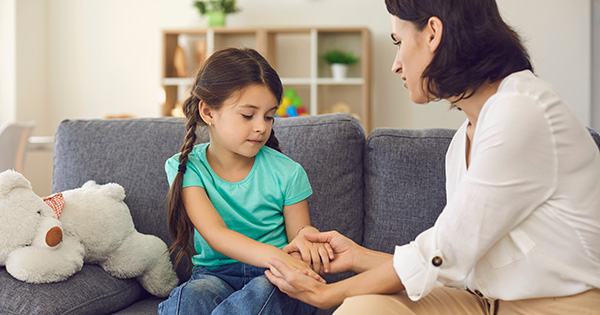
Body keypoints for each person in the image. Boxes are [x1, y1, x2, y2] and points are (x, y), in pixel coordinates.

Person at [265, 0, 600, 314]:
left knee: (353, 303)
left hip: (562, 305)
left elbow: (443, 253)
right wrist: (357, 256)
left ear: (433, 34)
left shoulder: (521, 111)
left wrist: (325, 294)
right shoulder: (464, 139)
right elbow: (456, 267)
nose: (396, 64)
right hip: (482, 301)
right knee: (365, 309)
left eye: (398, 42)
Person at [158, 47, 333, 315]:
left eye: (269, 116)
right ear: (208, 112)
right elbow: (216, 234)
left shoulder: (288, 172)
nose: (261, 126)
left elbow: (300, 234)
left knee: (265, 291)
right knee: (191, 297)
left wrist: (306, 246)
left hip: (274, 274)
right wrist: (282, 257)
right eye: (248, 115)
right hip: (215, 275)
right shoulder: (186, 167)